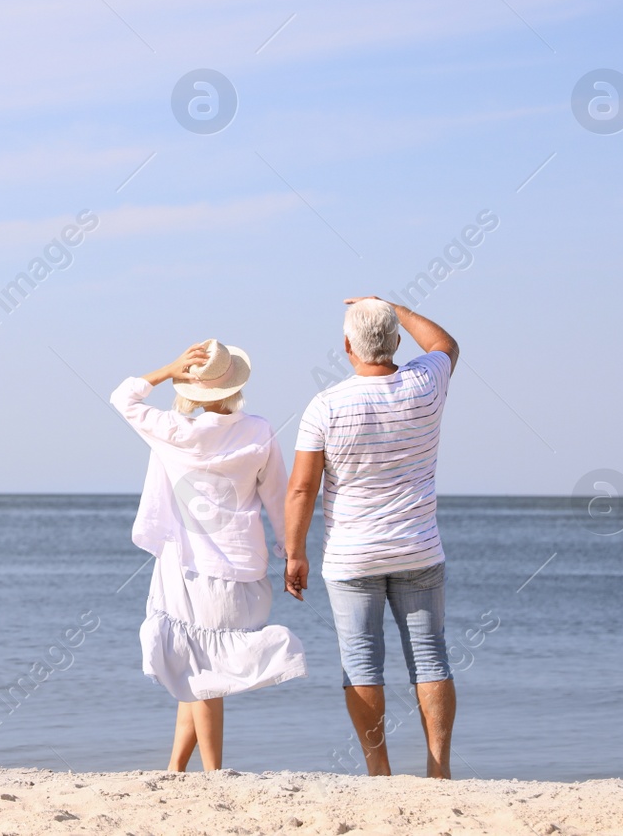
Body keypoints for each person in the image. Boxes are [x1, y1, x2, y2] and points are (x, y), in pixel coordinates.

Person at [283, 297, 460, 778]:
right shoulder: (426, 383)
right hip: (418, 547)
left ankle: (378, 771)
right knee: (429, 655)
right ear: (397, 341)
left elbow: (302, 487)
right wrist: (393, 306)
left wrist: (293, 554)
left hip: (351, 556)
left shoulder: (325, 405)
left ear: (346, 346)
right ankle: (439, 769)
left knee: (361, 661)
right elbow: (444, 343)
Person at [111, 339, 307, 772]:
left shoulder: (173, 429)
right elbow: (279, 499)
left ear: (194, 385)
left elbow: (122, 397)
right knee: (197, 666)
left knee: (201, 672)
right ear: (234, 385)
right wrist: (293, 554)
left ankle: (214, 774)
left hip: (187, 568)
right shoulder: (259, 431)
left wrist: (168, 369)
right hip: (242, 567)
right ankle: (176, 769)